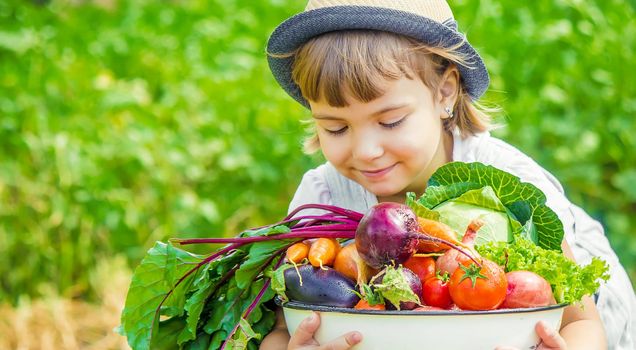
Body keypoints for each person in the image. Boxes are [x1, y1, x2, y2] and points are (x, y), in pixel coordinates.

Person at [260, 1, 636, 349]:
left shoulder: (506, 179)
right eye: (336, 129)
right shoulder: (322, 197)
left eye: (390, 121)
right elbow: (280, 328)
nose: (365, 151)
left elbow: (583, 324)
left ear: (444, 92)